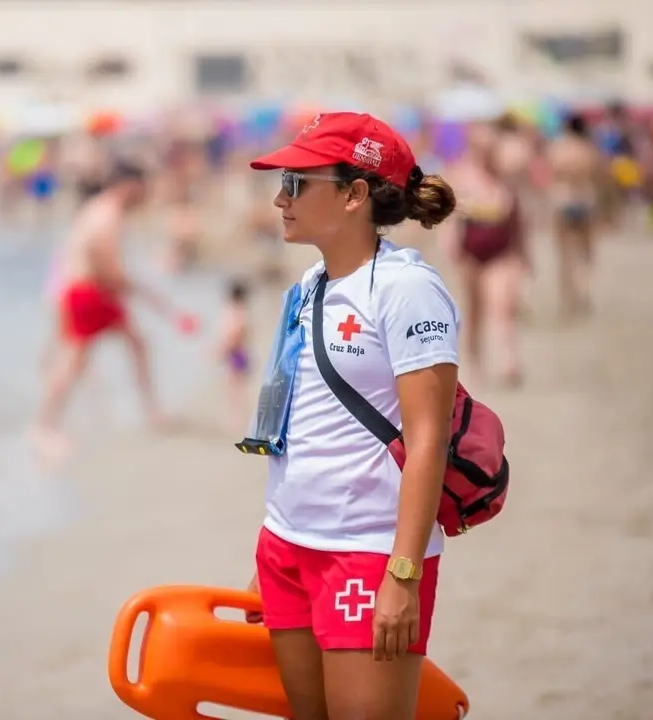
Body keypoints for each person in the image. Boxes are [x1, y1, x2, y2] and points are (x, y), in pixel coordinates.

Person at [244, 111, 460, 720]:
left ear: (353, 194)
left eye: (296, 182)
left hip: (366, 551)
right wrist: (270, 550)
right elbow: (295, 424)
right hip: (286, 546)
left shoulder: (407, 289)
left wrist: (404, 572)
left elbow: (428, 440)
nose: (279, 198)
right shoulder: (309, 285)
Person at [35, 161, 190, 456]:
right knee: (74, 363)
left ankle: (152, 412)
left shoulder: (102, 209)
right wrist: (157, 301)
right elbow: (111, 271)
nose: (145, 194)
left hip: (93, 292)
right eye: (143, 187)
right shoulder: (107, 216)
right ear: (129, 186)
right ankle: (43, 426)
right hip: (87, 293)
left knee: (137, 345)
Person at [439, 121, 526, 386]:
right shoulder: (460, 175)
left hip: (501, 251)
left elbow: (518, 218)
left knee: (502, 306)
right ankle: (474, 361)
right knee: (474, 310)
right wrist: (450, 242)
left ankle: (507, 360)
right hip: (470, 251)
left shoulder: (506, 176)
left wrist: (523, 254)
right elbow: (449, 214)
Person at [547, 114, 605, 316]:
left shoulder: (558, 149)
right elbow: (598, 177)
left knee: (565, 254)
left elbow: (551, 174)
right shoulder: (588, 150)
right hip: (585, 200)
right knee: (587, 252)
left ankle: (569, 296)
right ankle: (586, 290)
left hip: (563, 201)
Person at [216, 278, 252, 432]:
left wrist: (220, 351)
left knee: (234, 389)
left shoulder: (235, 313)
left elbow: (233, 335)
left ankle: (237, 420)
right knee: (236, 388)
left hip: (236, 354)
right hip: (240, 353)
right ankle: (238, 418)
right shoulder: (242, 312)